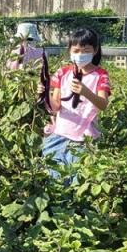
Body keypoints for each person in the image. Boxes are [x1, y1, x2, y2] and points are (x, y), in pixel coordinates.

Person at [40, 28, 111, 168]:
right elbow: (55, 108)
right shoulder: (63, 72)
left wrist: (85, 92)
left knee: (77, 179)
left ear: (95, 50)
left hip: (85, 139)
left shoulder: (101, 75)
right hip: (60, 133)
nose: (80, 55)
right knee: (53, 175)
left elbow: (103, 105)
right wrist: (45, 93)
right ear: (70, 51)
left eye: (86, 51)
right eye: (76, 51)